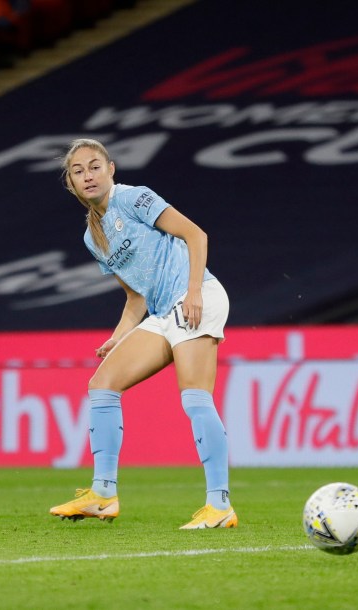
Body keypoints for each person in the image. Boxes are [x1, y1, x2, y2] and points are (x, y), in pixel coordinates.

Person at [49, 138, 237, 530]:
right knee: (102, 384)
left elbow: (196, 235)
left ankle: (220, 506)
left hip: (194, 297)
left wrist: (195, 291)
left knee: (194, 396)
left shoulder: (133, 198)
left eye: (94, 166)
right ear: (70, 182)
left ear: (111, 169)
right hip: (160, 311)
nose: (88, 175)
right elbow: (136, 295)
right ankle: (102, 495)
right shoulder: (93, 236)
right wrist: (120, 337)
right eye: (78, 171)